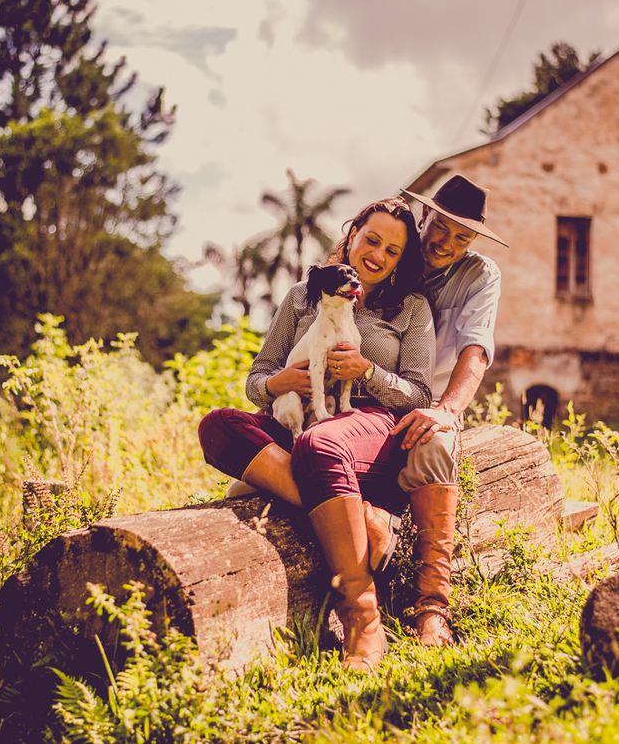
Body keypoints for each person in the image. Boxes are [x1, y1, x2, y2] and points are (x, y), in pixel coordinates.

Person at [198, 197, 434, 671]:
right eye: (371, 240)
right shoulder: (302, 295)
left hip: (366, 423)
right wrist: (276, 384)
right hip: (298, 412)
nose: (377, 255)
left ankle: (362, 618)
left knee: (319, 442)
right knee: (218, 426)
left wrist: (369, 373)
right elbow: (258, 376)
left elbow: (421, 393)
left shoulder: (411, 309)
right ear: (351, 237)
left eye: (392, 251)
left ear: (399, 262)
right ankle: (365, 519)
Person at [394, 174, 506, 647]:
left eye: (463, 236)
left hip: (428, 399)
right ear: (426, 215)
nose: (447, 242)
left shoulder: (482, 275)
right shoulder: (393, 245)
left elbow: (476, 349)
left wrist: (447, 410)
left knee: (435, 442)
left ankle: (433, 608)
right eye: (441, 227)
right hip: (362, 388)